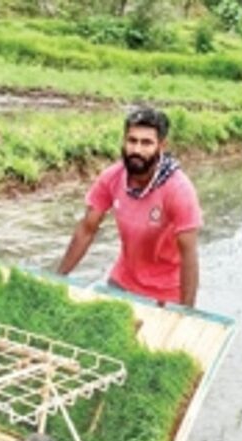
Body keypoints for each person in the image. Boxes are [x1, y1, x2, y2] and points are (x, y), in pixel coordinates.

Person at [58, 107, 202, 307]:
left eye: (146, 143)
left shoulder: (178, 190)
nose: (137, 150)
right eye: (132, 141)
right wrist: (58, 278)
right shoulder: (113, 177)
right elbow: (86, 229)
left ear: (161, 146)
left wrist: (186, 313)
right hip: (123, 281)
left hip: (166, 293)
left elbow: (189, 256)